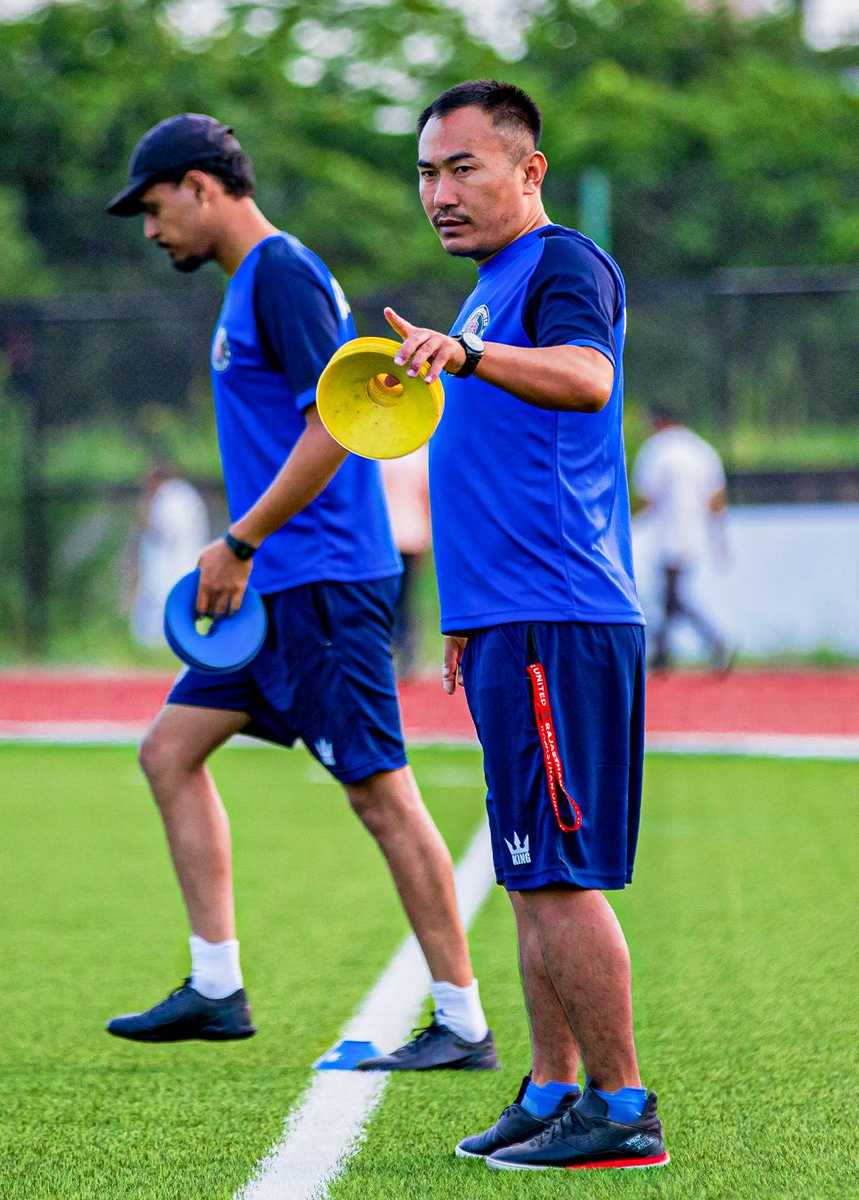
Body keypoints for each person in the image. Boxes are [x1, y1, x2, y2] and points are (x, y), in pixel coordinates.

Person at [103, 114, 495, 1068]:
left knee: (380, 796)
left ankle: (461, 1022)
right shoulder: (250, 286)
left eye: (156, 210)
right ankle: (215, 986)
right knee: (169, 752)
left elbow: (346, 414)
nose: (152, 232)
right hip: (275, 582)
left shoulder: (280, 273)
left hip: (321, 580)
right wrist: (247, 555)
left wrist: (238, 540)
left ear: (201, 187)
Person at [381, 80, 669, 1167]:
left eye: (462, 168)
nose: (439, 193)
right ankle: (552, 1092)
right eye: (426, 172)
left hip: (560, 613)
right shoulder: (488, 288)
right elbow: (494, 468)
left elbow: (589, 382)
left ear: (528, 171)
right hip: (508, 617)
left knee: (557, 872)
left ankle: (622, 1107)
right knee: (525, 865)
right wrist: (463, 612)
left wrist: (467, 358)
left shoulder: (561, 267)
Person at [633, 409, 733, 671]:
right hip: (694, 534)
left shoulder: (657, 449)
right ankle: (663, 653)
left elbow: (648, 499)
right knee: (670, 594)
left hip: (666, 534)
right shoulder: (702, 450)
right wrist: (720, 541)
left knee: (673, 595)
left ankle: (715, 642)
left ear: (659, 423)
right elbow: (716, 500)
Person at [128, 465, 210, 649]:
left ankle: (163, 645)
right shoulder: (181, 494)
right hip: (174, 559)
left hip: (174, 561)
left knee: (165, 602)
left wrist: (146, 512)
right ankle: (154, 647)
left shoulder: (172, 496)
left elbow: (163, 530)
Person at [379, 446, 432, 678]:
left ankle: (393, 653)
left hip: (384, 538)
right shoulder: (419, 456)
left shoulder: (378, 456)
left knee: (387, 600)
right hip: (410, 535)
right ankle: (408, 655)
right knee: (405, 600)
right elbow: (427, 497)